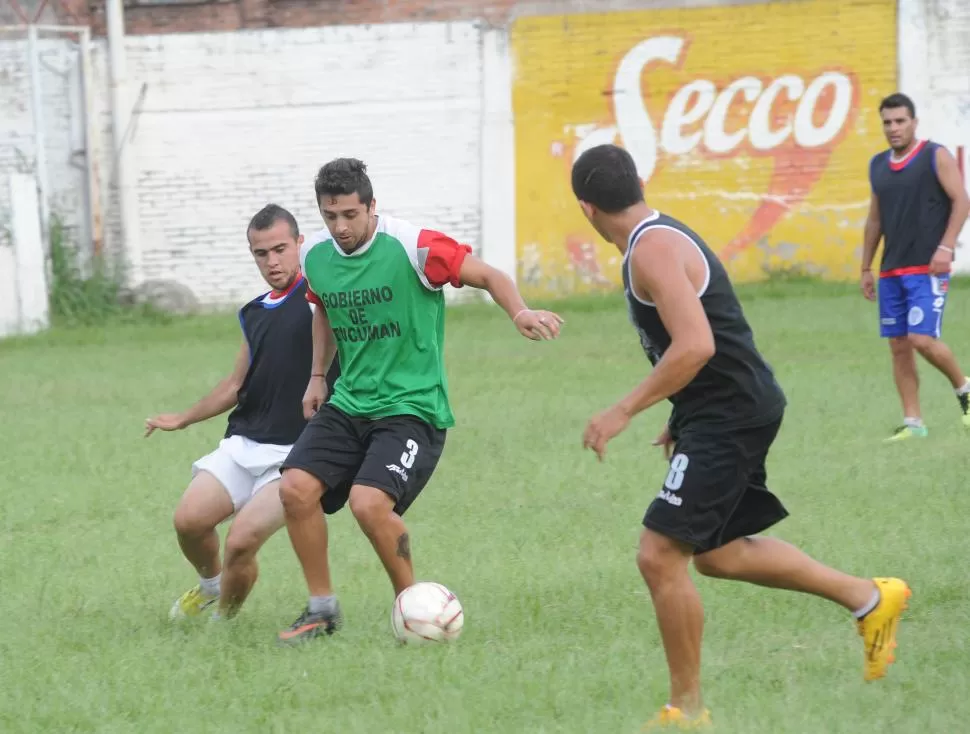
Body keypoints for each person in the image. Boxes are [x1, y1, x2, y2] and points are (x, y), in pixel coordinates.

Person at [572, 143, 911, 729]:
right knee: (719, 555)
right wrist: (681, 416)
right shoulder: (656, 238)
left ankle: (688, 710)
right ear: (638, 183)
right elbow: (714, 340)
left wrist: (622, 410)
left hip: (733, 413)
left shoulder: (651, 249)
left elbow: (698, 344)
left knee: (659, 554)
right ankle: (871, 598)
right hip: (725, 408)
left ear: (586, 208)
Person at [275, 157, 563, 644]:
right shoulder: (318, 259)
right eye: (330, 216)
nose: (340, 227)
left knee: (369, 505)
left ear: (371, 206)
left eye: (350, 214)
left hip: (413, 408)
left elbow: (489, 275)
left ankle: (414, 610)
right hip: (350, 403)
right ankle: (321, 611)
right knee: (294, 489)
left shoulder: (415, 247)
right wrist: (318, 375)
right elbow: (321, 309)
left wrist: (519, 312)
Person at [146, 204, 340, 621]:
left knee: (240, 542)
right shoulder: (254, 312)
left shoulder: (323, 296)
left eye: (280, 249)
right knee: (189, 522)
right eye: (261, 253)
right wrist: (182, 418)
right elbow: (235, 385)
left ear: (300, 244)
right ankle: (212, 587)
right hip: (245, 443)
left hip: (296, 456)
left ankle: (222, 629)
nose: (272, 261)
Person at [862, 92, 970, 442]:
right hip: (892, 270)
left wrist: (946, 247)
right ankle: (913, 423)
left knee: (921, 338)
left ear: (914, 122)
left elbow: (962, 201)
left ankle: (964, 389)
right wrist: (866, 267)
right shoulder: (878, 165)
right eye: (887, 122)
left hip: (927, 267)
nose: (893, 128)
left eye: (900, 121)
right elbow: (874, 220)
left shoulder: (933, 155)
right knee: (898, 346)